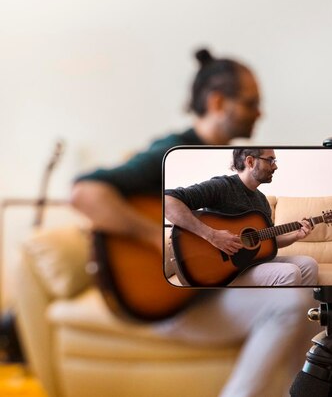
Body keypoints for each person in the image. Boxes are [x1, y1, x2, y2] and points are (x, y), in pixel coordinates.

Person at [71, 47, 318, 397]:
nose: (260, 113)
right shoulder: (175, 148)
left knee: (306, 270)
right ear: (218, 103)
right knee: (290, 302)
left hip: (216, 287)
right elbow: (85, 193)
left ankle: (303, 387)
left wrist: (293, 235)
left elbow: (259, 244)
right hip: (175, 297)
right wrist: (164, 238)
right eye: (251, 103)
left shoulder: (258, 199)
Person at [164, 147, 319, 286]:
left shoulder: (262, 200)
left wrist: (296, 235)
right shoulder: (222, 186)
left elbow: (269, 239)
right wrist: (211, 235)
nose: (275, 166)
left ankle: (303, 314)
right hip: (222, 270)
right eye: (270, 160)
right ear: (250, 162)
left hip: (250, 264)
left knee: (309, 264)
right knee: (290, 273)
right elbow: (167, 200)